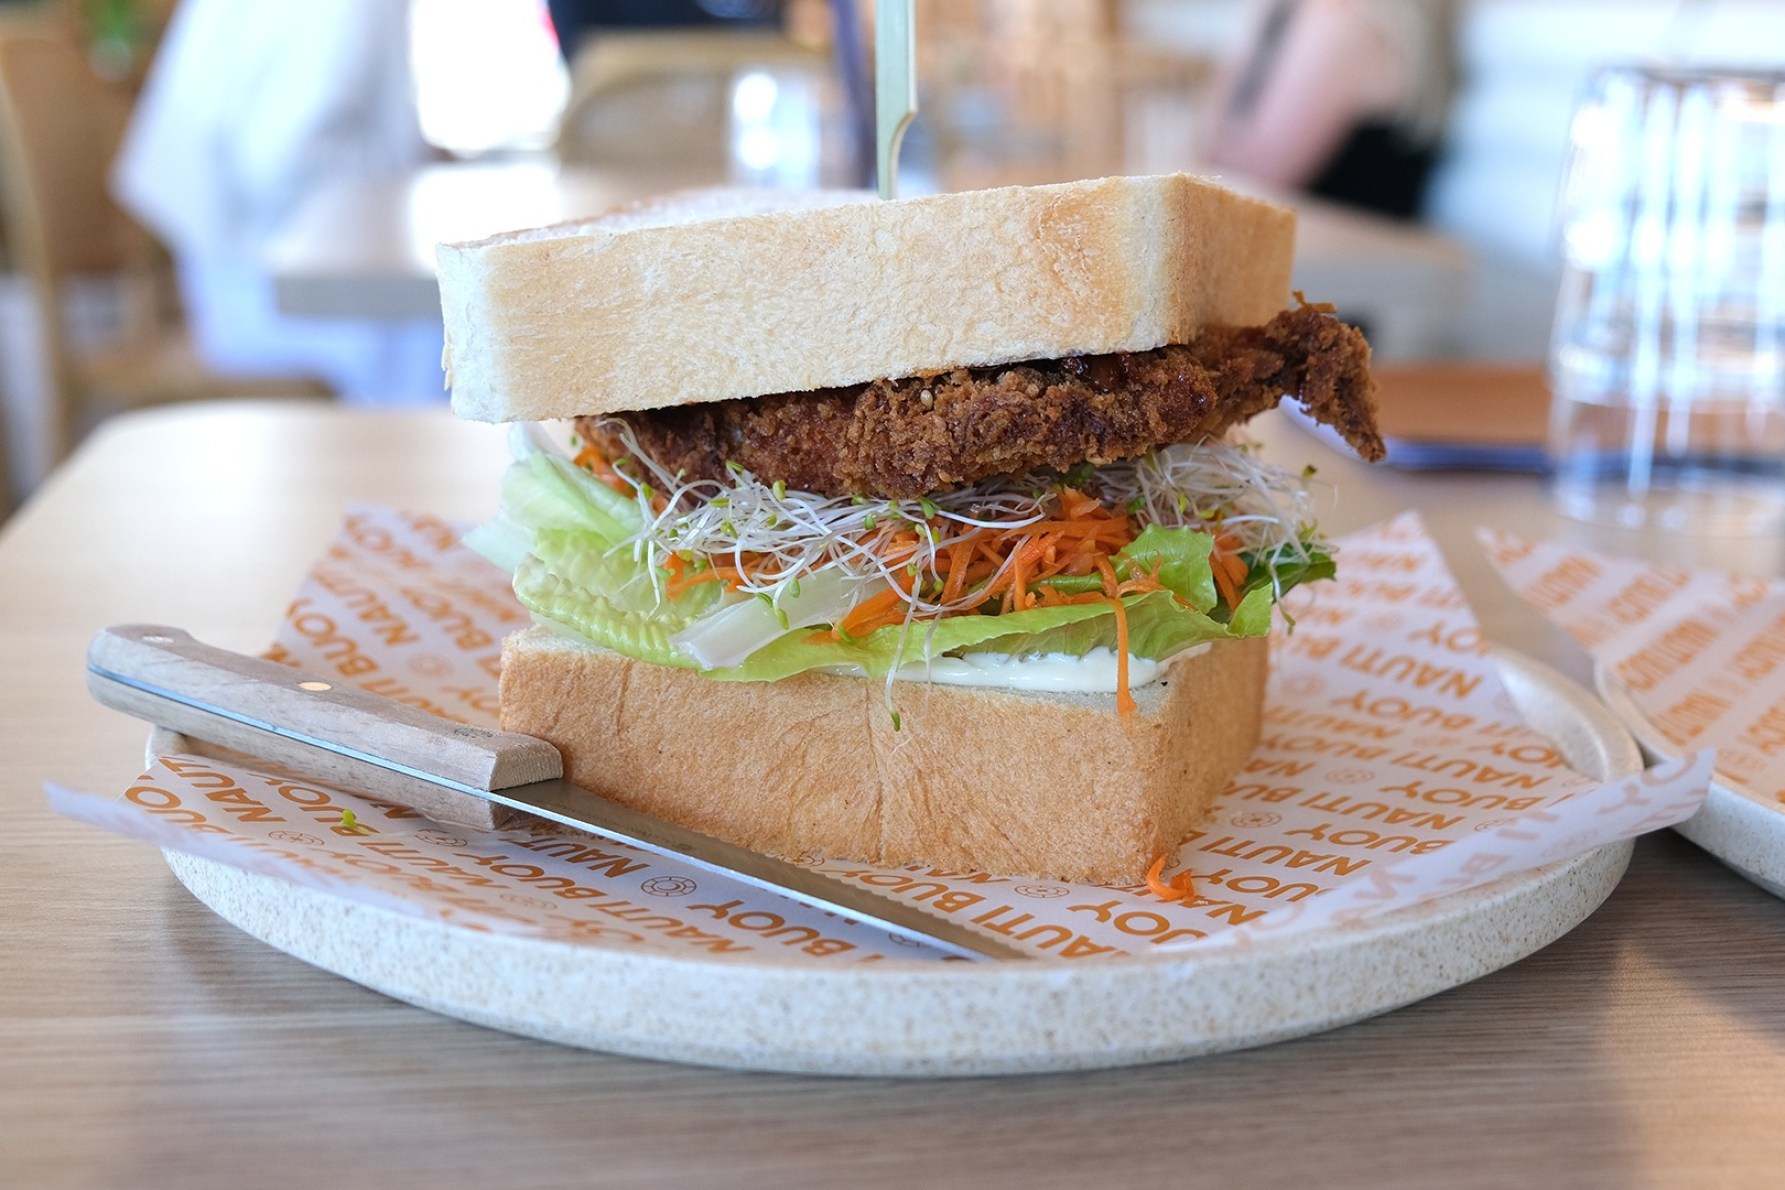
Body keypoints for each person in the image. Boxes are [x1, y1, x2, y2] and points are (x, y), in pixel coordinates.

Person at [111, 0, 446, 405]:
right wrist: (408, 163)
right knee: (453, 336)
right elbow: (282, 158)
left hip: (232, 267)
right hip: (266, 287)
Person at [1206, 0, 1459, 220]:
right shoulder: (1374, 21)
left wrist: (1255, 25)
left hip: (1333, 264)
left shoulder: (1344, 22)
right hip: (1360, 261)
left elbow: (1241, 182)